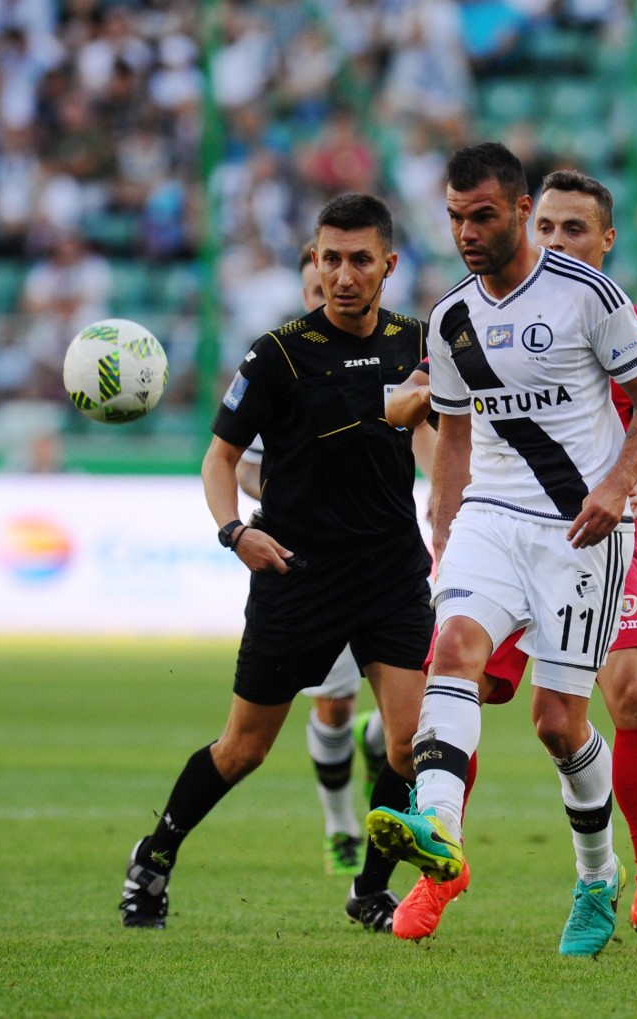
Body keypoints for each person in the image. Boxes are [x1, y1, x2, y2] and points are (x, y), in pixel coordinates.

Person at [385, 168, 637, 947]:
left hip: (587, 532)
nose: (467, 232)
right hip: (491, 522)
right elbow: (452, 430)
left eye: (575, 228)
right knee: (454, 653)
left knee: (563, 721)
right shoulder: (453, 316)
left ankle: (613, 877)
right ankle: (440, 844)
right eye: (456, 217)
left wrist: (621, 492)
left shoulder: (608, 309)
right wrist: (442, 523)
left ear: (604, 238)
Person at [119, 193, 434, 934]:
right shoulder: (277, 353)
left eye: (360, 259)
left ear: (388, 264)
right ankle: (155, 855)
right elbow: (219, 458)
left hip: (390, 571)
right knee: (244, 748)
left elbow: (443, 439)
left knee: (410, 741)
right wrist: (235, 531)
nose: (344, 274)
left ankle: (370, 888)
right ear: (315, 262)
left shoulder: (417, 342)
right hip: (298, 574)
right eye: (331, 258)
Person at [234, 241, 387, 878]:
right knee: (332, 706)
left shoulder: (386, 354)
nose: (332, 290)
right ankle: (341, 824)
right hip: (308, 564)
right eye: (318, 284)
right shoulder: (276, 360)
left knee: (423, 706)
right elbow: (238, 460)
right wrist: (286, 486)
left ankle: (379, 744)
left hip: (381, 555)